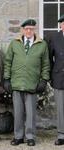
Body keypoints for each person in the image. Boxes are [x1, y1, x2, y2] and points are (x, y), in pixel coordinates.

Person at [4, 19, 50, 146]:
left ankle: (30, 137)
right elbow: (8, 62)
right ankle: (18, 136)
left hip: (32, 84)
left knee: (30, 113)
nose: (29, 31)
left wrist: (44, 80)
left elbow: (46, 65)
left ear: (34, 30)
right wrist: (7, 79)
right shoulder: (15, 43)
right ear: (22, 30)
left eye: (31, 29)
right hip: (17, 83)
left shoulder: (42, 45)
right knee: (18, 113)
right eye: (26, 29)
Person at [49, 14, 64, 146]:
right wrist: (52, 75)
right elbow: (49, 59)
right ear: (61, 25)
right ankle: (61, 135)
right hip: (59, 77)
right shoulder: (55, 38)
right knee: (60, 109)